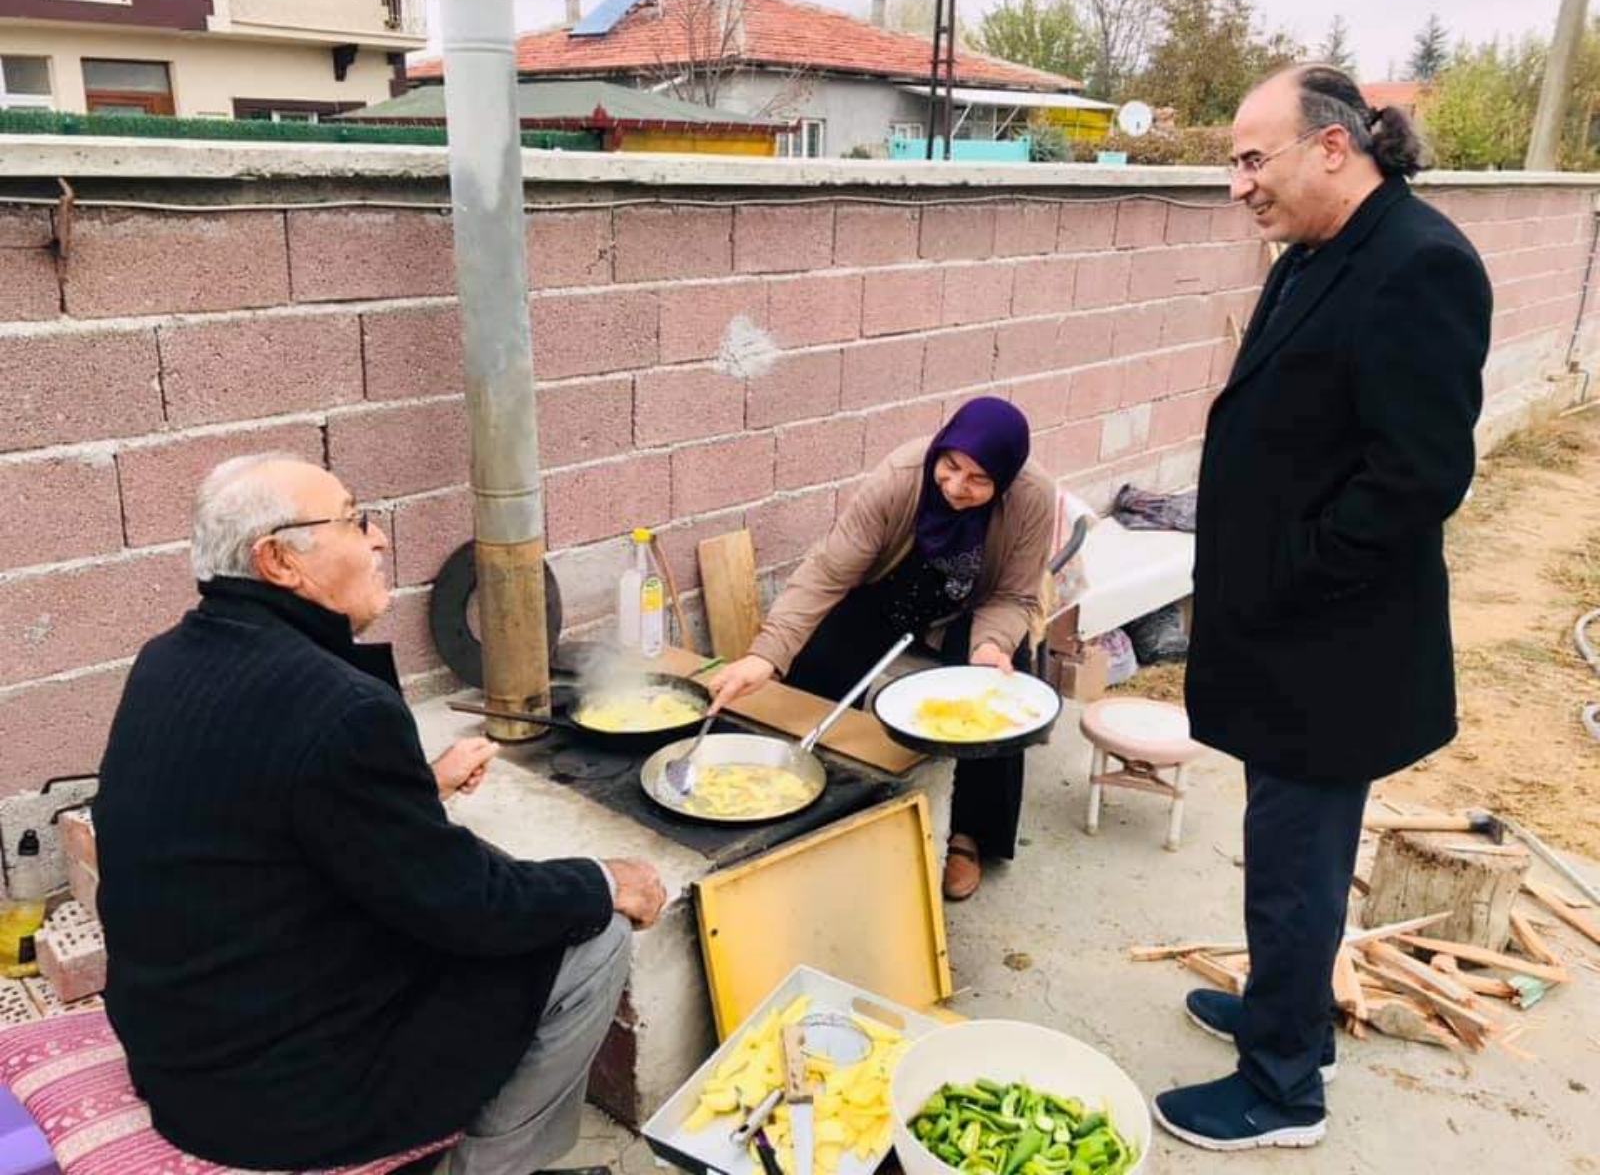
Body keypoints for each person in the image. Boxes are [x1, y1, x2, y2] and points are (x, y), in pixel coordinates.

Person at [94, 454, 668, 1175]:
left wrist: (416, 788)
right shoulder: (337, 709)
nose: (377, 539)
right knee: (594, 937)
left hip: (180, 1056)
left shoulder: (168, 658)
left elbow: (266, 818)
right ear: (278, 562)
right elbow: (469, 908)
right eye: (352, 519)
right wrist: (602, 879)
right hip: (283, 1096)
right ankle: (494, 1168)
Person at [1154, 65, 1491, 1150]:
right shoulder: (1316, 254)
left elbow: (1417, 476)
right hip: (1284, 627)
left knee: (1295, 869)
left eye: (1253, 158)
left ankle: (1282, 1089)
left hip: (1329, 641)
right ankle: (1282, 1011)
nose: (1237, 184)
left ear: (1334, 148)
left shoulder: (1420, 264)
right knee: (1280, 851)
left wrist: (1292, 573)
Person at [708, 397, 1053, 901]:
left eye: (979, 480)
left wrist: (990, 647)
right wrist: (767, 654)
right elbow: (830, 572)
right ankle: (810, 792)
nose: (956, 488)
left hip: (975, 609)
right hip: (892, 587)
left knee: (997, 703)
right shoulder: (902, 476)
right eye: (951, 466)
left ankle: (970, 836)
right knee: (816, 660)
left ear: (1004, 479)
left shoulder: (1033, 498)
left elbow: (1014, 595)